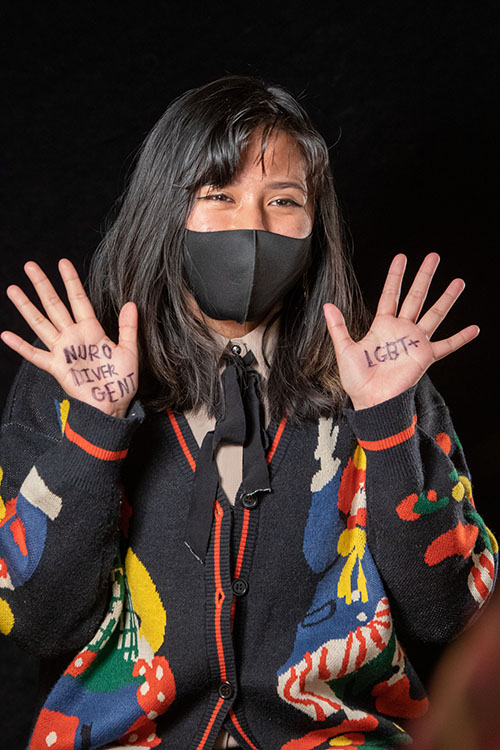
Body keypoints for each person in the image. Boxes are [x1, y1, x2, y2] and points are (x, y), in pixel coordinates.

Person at [0, 75, 496, 750]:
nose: (252, 224)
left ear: (317, 225)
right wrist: (95, 424)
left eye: (284, 200)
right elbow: (36, 621)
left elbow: (443, 615)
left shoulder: (383, 380)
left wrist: (386, 420)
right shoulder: (70, 382)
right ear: (165, 208)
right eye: (219, 195)